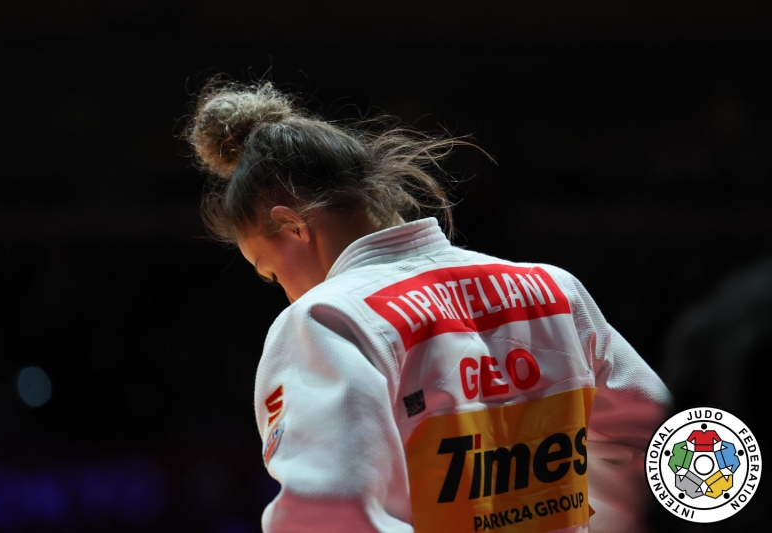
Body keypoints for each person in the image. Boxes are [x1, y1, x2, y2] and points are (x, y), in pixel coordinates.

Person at [185, 80, 671, 533]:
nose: (286, 292)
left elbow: (332, 516)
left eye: (270, 271)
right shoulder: (553, 289)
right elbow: (660, 443)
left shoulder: (327, 320)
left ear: (293, 226)